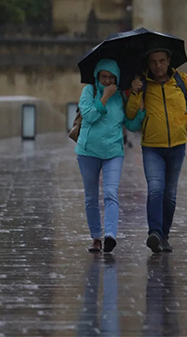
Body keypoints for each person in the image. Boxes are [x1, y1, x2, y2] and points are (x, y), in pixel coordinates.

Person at [126, 42, 187, 253]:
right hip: (152, 146)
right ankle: (155, 233)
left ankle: (164, 235)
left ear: (168, 61)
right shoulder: (142, 83)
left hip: (177, 146)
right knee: (155, 189)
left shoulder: (181, 80)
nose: (158, 66)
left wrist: (186, 121)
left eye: (161, 61)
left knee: (169, 194)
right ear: (148, 64)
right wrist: (135, 92)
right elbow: (130, 114)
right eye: (153, 62)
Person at [76, 59, 145, 253]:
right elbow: (89, 116)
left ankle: (110, 236)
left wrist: (140, 111)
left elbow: (130, 125)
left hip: (113, 152)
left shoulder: (121, 96)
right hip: (88, 151)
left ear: (117, 78)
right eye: (103, 77)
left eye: (111, 77)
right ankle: (96, 237)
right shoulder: (89, 91)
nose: (107, 81)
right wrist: (104, 97)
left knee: (111, 193)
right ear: (97, 76)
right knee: (91, 197)